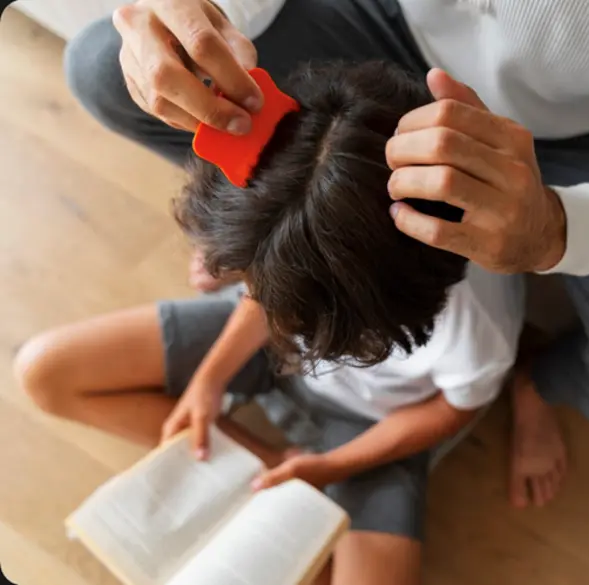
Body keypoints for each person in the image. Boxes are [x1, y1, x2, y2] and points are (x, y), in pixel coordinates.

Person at [63, 0, 589, 509]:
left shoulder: (473, 340)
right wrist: (193, 18)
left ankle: (536, 378)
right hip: (380, 21)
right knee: (101, 65)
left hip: (586, 125)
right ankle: (282, 224)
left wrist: (560, 229)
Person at [14, 61, 525, 585]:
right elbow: (267, 301)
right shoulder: (299, 226)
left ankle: (289, 487)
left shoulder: (476, 316)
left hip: (375, 421)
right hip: (258, 350)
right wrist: (210, 381)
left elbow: (453, 407)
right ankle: (268, 471)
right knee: (43, 370)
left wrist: (332, 468)